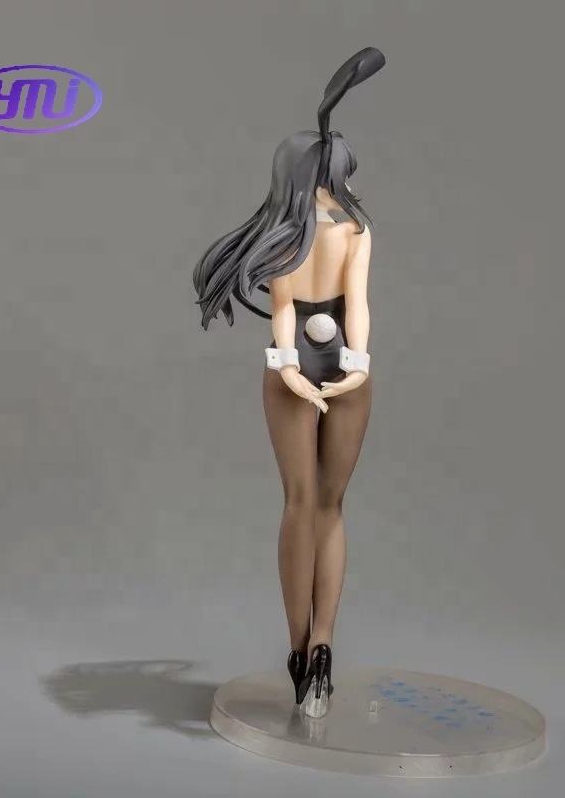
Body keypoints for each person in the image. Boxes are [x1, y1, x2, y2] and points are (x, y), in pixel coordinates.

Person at [192, 47, 385, 717]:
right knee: (324, 507)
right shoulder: (351, 230)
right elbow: (354, 307)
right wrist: (353, 365)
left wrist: (294, 369)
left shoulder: (285, 233)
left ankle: (306, 651)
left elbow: (285, 313)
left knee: (304, 504)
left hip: (300, 370)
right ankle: (317, 648)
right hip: (334, 369)